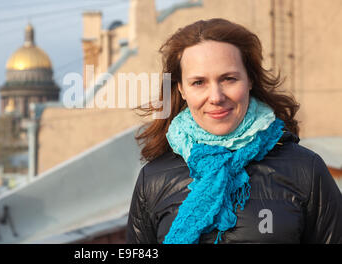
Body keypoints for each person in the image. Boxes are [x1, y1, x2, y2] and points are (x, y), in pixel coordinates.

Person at [126, 18, 342, 244]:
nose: (216, 97)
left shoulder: (305, 170)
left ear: (250, 80)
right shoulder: (152, 180)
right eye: (199, 82)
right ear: (181, 89)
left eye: (229, 79)